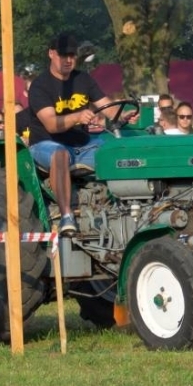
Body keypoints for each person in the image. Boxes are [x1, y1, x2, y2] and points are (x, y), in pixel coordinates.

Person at [24, 33, 116, 236]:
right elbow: (51, 124)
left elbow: (108, 108)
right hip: (45, 144)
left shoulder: (84, 79)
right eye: (63, 55)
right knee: (60, 154)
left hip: (83, 146)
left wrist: (126, 113)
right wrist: (77, 117)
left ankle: (123, 206)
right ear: (51, 54)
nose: (68, 60)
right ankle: (67, 216)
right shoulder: (40, 85)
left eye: (72, 55)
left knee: (117, 149)